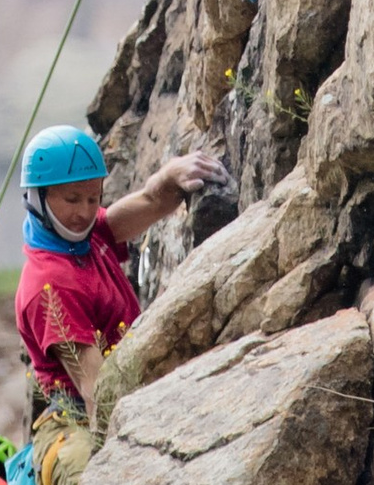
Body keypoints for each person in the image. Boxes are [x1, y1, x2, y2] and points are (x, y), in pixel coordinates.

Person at [14, 126, 227, 431]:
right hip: (75, 422)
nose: (85, 212)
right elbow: (98, 392)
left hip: (128, 387)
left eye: (93, 197)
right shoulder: (50, 284)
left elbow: (151, 202)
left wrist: (171, 175)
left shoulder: (83, 238)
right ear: (38, 197)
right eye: (72, 199)